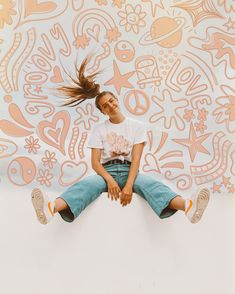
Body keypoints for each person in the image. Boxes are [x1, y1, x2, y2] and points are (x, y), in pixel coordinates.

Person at [31, 56, 210, 225]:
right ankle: (50, 209)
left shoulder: (137, 126)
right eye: (105, 106)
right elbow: (95, 163)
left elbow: (137, 159)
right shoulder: (99, 129)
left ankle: (188, 207)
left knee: (152, 185)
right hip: (106, 171)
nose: (110, 105)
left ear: (116, 100)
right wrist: (109, 180)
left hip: (130, 170)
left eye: (111, 101)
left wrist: (129, 185)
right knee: (86, 185)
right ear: (103, 111)